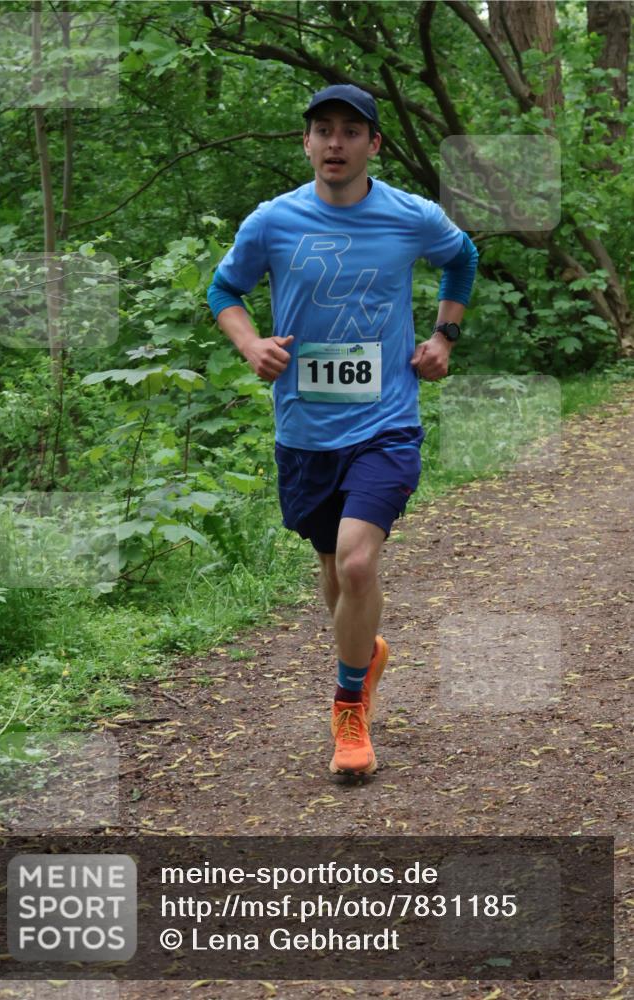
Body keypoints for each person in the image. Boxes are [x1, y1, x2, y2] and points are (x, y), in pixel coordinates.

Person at [207, 84, 478, 776]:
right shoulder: (271, 222)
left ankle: (348, 709)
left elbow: (461, 258)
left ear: (372, 146)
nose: (335, 142)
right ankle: (365, 652)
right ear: (305, 143)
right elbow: (223, 292)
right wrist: (249, 345)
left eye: (351, 132)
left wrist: (443, 337)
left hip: (386, 421)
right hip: (303, 430)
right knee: (333, 572)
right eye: (322, 130)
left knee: (358, 563)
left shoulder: (409, 217)